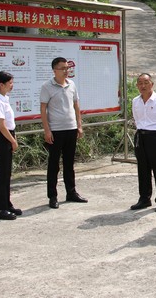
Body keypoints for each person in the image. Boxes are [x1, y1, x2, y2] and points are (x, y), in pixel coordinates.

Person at [40, 57, 88, 209]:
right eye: (63, 68)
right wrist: (47, 130)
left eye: (67, 68)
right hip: (55, 130)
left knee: (69, 163)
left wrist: (79, 125)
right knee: (54, 165)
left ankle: (71, 192)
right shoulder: (47, 86)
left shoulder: (71, 84)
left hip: (71, 128)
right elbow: (43, 109)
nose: (66, 71)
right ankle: (52, 196)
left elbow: (76, 105)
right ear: (54, 70)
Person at [130, 73, 156, 212]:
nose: (143, 86)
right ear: (137, 85)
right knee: (142, 169)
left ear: (152, 84)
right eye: (140, 83)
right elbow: (136, 119)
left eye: (146, 82)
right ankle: (144, 199)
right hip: (141, 136)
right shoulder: (135, 101)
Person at [0, 71, 21, 220]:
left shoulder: (4, 99)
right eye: (10, 83)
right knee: (1, 175)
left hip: (8, 136)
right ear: (1, 85)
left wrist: (14, 138)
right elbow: (2, 126)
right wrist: (13, 141)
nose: (12, 85)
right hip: (2, 139)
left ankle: (6, 204)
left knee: (7, 174)